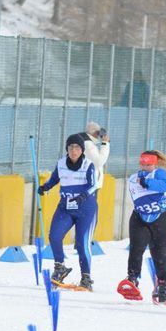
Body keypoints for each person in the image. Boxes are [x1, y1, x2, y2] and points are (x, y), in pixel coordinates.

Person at [37, 133, 98, 291]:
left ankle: (86, 277)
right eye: (70, 147)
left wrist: (82, 196)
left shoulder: (88, 165)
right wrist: (45, 187)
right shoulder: (61, 164)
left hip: (86, 209)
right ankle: (60, 267)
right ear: (67, 149)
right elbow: (54, 179)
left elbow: (94, 185)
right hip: (66, 207)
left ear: (82, 150)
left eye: (77, 147)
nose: (74, 150)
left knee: (81, 243)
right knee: (54, 236)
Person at [117, 150, 166, 305]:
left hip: (162, 219)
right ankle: (132, 278)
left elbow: (165, 185)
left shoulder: (160, 173)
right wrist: (142, 182)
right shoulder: (133, 178)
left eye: (149, 164)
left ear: (155, 164)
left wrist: (147, 183)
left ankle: (163, 281)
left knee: (159, 254)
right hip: (140, 218)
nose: (145, 167)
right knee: (136, 249)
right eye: (143, 164)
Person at [81, 122, 110, 192]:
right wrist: (105, 143)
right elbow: (99, 161)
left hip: (88, 182)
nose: (99, 136)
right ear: (94, 132)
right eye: (98, 133)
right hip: (90, 183)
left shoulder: (87, 143)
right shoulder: (89, 145)